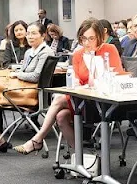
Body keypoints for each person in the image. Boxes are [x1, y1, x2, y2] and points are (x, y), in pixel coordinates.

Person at [13, 18, 125, 155]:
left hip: (104, 101)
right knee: (61, 117)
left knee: (59, 99)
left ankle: (38, 139)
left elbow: (117, 75)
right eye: (83, 39)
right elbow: (76, 80)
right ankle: (80, 156)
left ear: (100, 37)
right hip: (82, 99)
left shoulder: (109, 49)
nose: (87, 43)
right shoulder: (78, 54)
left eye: (91, 38)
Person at [0, 23, 55, 154]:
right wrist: (16, 72)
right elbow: (25, 70)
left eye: (34, 33)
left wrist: (17, 74)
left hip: (33, 94)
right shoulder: (30, 52)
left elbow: (36, 76)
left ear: (43, 35)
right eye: (29, 33)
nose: (30, 36)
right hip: (24, 89)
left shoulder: (46, 52)